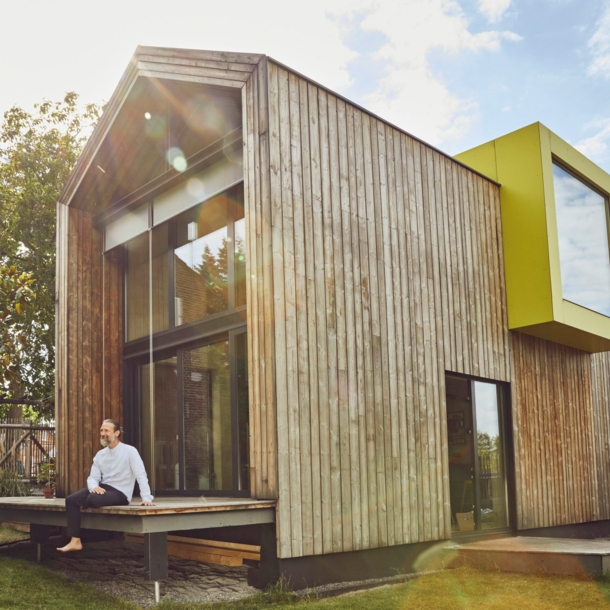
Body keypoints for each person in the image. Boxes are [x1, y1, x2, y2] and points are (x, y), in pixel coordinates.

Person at [57, 419, 155, 553]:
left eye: (106, 431)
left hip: (121, 492)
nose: (103, 433)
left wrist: (146, 498)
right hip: (103, 488)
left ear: (117, 433)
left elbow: (140, 474)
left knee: (93, 499)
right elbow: (93, 477)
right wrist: (93, 487)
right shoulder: (100, 455)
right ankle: (75, 541)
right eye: (101, 430)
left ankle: (88, 502)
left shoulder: (130, 451)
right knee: (71, 500)